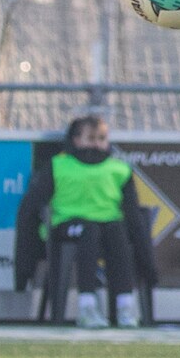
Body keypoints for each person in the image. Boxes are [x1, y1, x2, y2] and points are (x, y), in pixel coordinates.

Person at [41, 115, 149, 328]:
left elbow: (132, 212)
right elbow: (34, 204)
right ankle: (87, 306)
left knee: (118, 233)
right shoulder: (59, 165)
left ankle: (124, 305)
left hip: (107, 224)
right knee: (89, 232)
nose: (97, 144)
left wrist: (147, 257)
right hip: (68, 224)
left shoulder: (118, 169)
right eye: (91, 138)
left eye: (102, 138)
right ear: (76, 140)